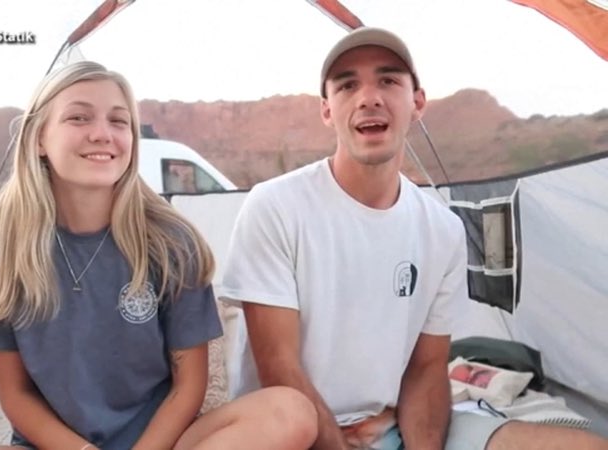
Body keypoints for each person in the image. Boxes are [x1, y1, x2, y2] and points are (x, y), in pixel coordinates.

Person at [220, 27, 608, 450]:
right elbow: (280, 369)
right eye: (347, 85)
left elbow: (426, 369)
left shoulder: (442, 229)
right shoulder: (276, 206)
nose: (368, 98)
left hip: (388, 427)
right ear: (327, 110)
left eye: (388, 80)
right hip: (297, 432)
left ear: (417, 103)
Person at [0, 61, 317, 450]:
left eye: (118, 121)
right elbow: (15, 394)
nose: (102, 134)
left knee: (290, 411)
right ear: (39, 139)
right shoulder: (4, 251)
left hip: (163, 443)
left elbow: (189, 387)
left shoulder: (170, 243)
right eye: (79, 117)